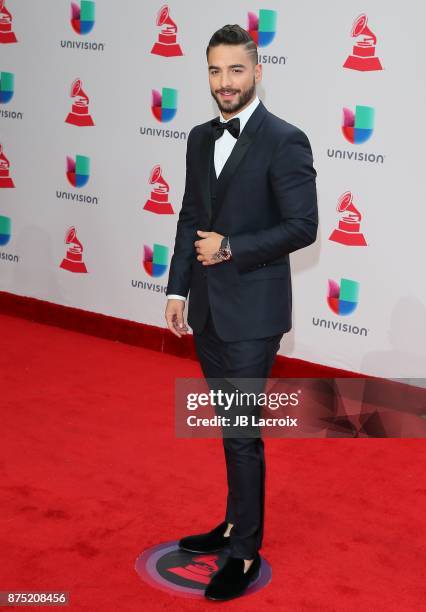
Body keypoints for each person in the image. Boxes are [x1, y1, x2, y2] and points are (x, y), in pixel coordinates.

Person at [165, 24, 318, 601]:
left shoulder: (286, 140)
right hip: (205, 309)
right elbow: (187, 216)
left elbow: (304, 226)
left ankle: (246, 551)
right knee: (230, 431)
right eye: (214, 70)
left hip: (254, 315)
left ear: (257, 72)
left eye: (235, 70)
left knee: (242, 434)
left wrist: (231, 247)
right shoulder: (200, 138)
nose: (224, 82)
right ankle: (232, 524)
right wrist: (178, 289)